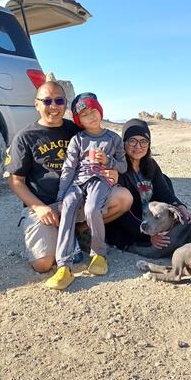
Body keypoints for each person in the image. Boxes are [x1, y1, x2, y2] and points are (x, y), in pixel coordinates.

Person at [7, 82, 132, 273]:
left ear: (65, 104)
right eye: (47, 101)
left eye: (59, 100)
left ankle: (80, 228)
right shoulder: (25, 137)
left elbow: (108, 156)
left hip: (79, 198)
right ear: (36, 104)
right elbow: (16, 181)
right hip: (46, 207)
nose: (54, 106)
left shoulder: (77, 131)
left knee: (123, 198)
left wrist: (112, 171)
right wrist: (38, 208)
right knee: (43, 264)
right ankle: (56, 236)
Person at [45, 93, 127, 290]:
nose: (91, 116)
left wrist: (109, 161)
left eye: (93, 111)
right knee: (67, 207)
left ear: (100, 111)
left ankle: (98, 253)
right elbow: (69, 168)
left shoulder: (113, 138)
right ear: (78, 120)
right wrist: (61, 195)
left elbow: (123, 166)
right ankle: (64, 265)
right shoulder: (78, 139)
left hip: (101, 180)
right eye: (85, 115)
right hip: (78, 181)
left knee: (92, 209)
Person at [105, 118, 191, 254]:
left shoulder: (150, 165)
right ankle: (131, 244)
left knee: (165, 180)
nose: (138, 146)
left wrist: (181, 208)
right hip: (128, 226)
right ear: (124, 143)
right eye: (132, 141)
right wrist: (146, 234)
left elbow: (165, 193)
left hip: (149, 219)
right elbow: (124, 214)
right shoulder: (118, 167)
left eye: (143, 141)